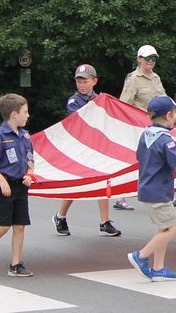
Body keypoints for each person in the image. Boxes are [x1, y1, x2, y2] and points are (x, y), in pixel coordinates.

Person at [127, 96, 176, 281]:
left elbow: (140, 157)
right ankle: (141, 256)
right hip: (158, 191)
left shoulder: (146, 134)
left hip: (148, 188)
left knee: (163, 228)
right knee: (174, 228)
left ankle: (158, 268)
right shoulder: (166, 140)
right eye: (175, 112)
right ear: (169, 115)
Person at [53, 64, 121, 237]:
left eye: (85, 81)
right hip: (79, 148)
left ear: (94, 81)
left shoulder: (101, 100)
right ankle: (60, 216)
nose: (81, 85)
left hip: (98, 147)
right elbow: (82, 120)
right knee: (76, 184)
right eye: (79, 81)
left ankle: (105, 222)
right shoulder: (74, 101)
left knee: (104, 179)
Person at [0, 94, 35, 277]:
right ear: (14, 114)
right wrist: (1, 181)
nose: (28, 115)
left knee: (20, 225)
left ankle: (15, 264)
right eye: (25, 112)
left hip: (20, 185)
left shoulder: (25, 135)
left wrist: (30, 174)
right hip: (4, 186)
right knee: (3, 226)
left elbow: (30, 160)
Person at [118, 44, 173, 210]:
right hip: (139, 126)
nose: (151, 61)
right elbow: (124, 104)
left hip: (158, 126)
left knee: (160, 160)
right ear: (139, 59)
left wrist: (173, 116)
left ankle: (165, 195)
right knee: (134, 160)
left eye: (154, 58)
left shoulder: (156, 78)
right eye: (148, 58)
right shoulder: (133, 79)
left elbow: (164, 99)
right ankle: (120, 196)